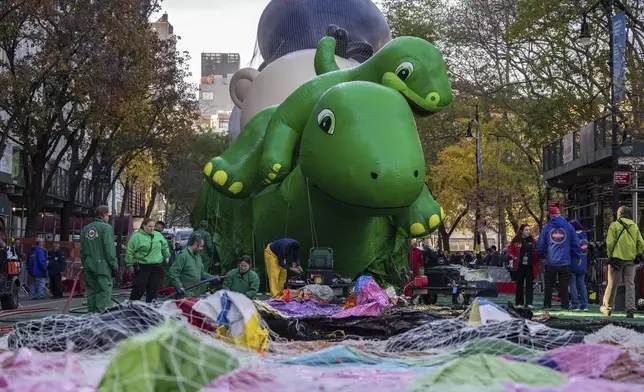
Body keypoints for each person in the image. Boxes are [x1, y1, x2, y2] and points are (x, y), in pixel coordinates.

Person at [536, 207, 581, 314]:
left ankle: (547, 305)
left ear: (550, 215)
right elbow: (575, 242)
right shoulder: (569, 227)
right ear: (560, 214)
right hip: (565, 262)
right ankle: (565, 305)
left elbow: (540, 244)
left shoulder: (546, 227)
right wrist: (578, 255)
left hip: (550, 261)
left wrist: (540, 255)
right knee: (564, 284)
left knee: (549, 284)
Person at [602, 206, 644, 318]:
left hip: (616, 260)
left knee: (612, 284)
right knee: (630, 284)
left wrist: (610, 255)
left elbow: (610, 243)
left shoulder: (614, 226)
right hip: (630, 260)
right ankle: (630, 309)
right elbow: (641, 243)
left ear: (619, 214)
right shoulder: (634, 226)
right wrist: (637, 253)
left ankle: (607, 308)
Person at [80, 205, 119, 312]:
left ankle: (91, 318)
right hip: (102, 265)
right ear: (105, 214)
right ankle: (100, 320)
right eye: (108, 215)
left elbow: (82, 250)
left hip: (88, 264)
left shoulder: (86, 229)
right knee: (103, 292)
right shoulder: (106, 228)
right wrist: (114, 265)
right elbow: (109, 249)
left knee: (91, 291)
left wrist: (85, 263)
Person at [126, 218, 170, 303]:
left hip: (157, 266)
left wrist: (167, 255)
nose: (152, 228)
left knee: (153, 290)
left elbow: (164, 245)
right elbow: (130, 251)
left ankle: (151, 308)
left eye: (153, 226)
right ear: (144, 226)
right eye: (149, 226)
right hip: (142, 266)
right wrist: (130, 264)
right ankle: (132, 306)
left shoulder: (158, 235)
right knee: (139, 288)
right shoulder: (136, 236)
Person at [508, 224, 538, 309]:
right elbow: (510, 251)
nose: (528, 231)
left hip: (530, 265)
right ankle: (519, 303)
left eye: (529, 230)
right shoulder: (516, 240)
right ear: (522, 231)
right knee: (519, 285)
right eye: (526, 230)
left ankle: (529, 303)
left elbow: (537, 251)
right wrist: (513, 257)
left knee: (529, 285)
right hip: (519, 265)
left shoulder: (532, 241)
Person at [567, 220, 589, 312]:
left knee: (572, 284)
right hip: (583, 264)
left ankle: (575, 304)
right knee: (582, 284)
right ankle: (584, 304)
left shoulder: (572, 237)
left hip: (573, 262)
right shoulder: (584, 237)